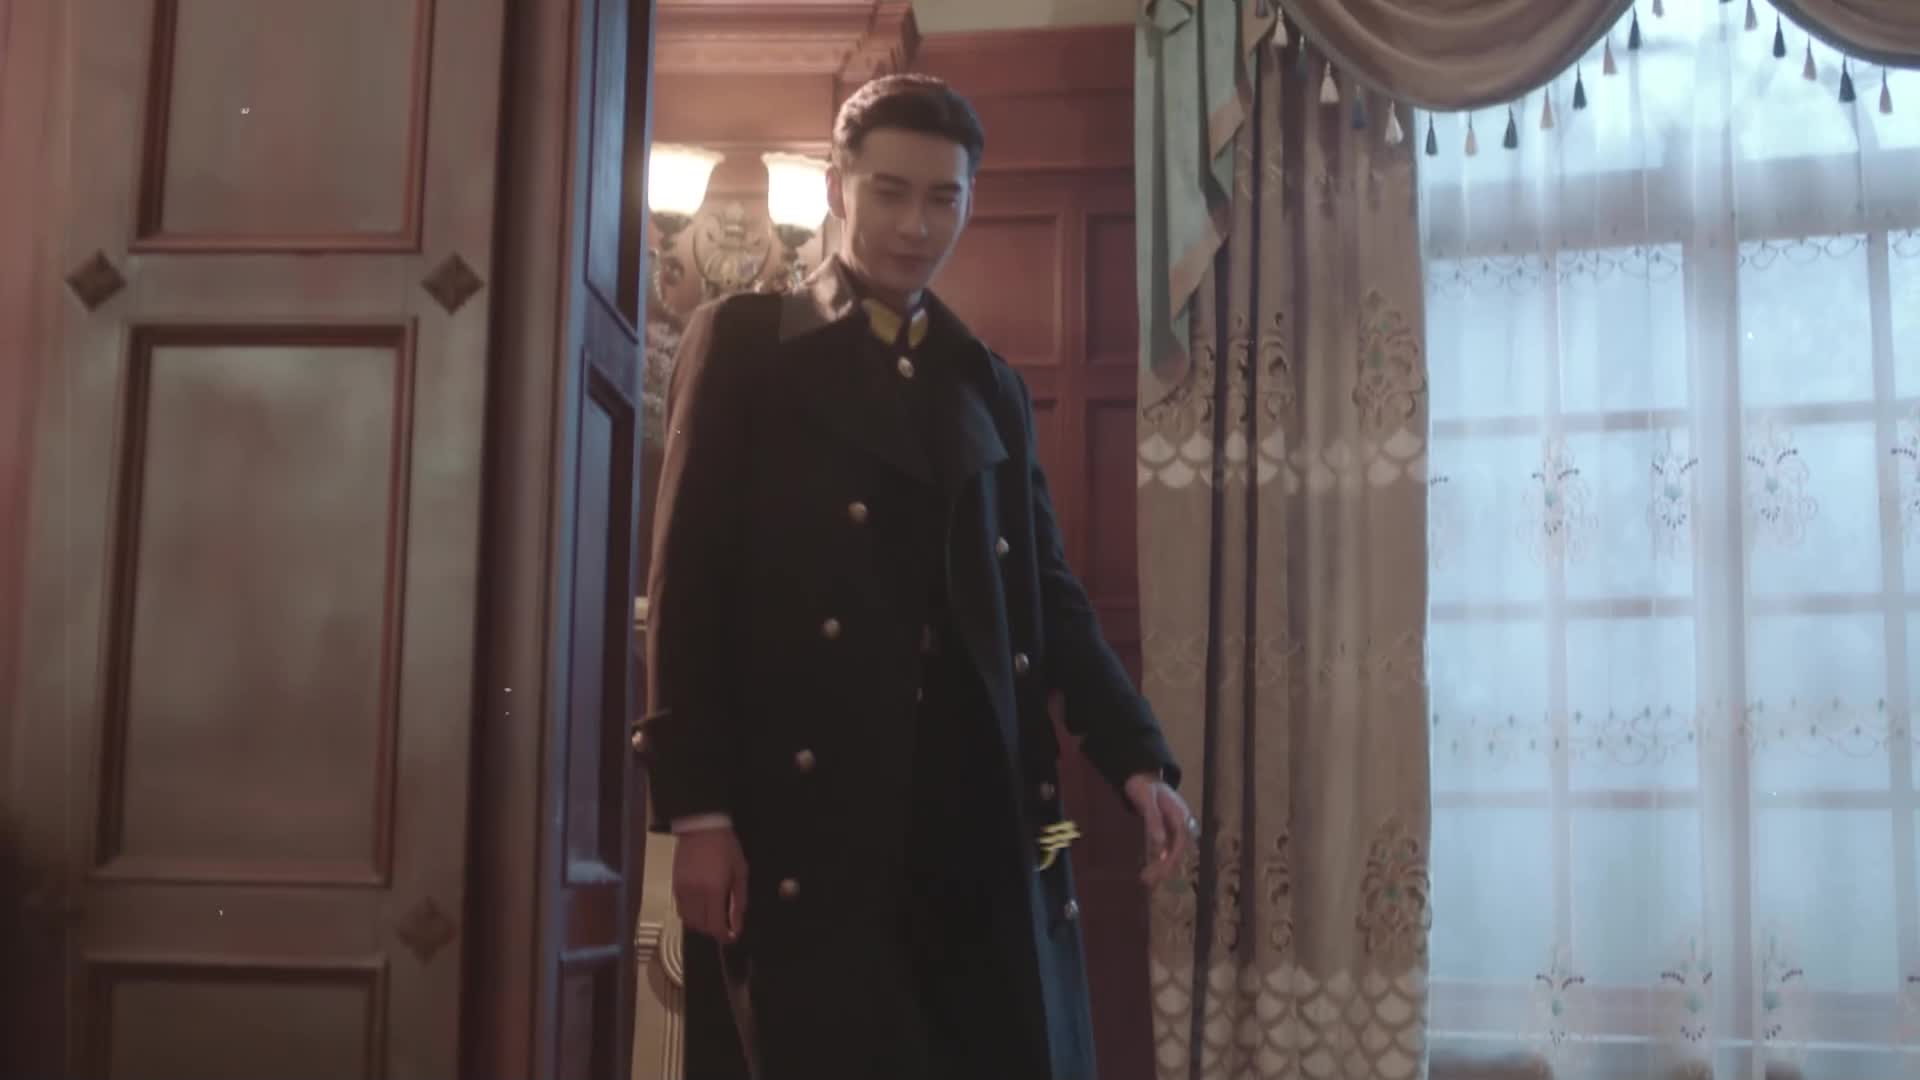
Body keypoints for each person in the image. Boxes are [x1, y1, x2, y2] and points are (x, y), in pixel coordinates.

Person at [641, 72, 1195, 1080]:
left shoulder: (985, 379)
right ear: (838, 189)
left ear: (969, 202)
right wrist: (700, 814)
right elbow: (689, 590)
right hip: (811, 810)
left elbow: (1047, 594)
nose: (915, 224)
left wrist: (1135, 756)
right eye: (889, 191)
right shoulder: (747, 347)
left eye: (944, 197)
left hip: (977, 803)